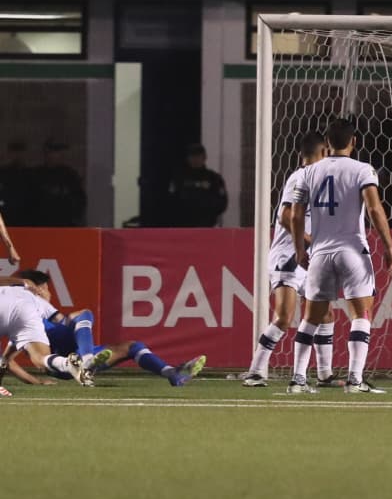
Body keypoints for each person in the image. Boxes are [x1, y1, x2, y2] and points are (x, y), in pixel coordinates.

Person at [287, 118, 392, 395]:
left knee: (310, 317)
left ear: (327, 143)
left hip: (321, 252)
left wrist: (300, 249)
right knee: (361, 314)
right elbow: (374, 209)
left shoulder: (308, 172)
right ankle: (355, 379)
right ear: (354, 141)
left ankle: (298, 380)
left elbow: (297, 213)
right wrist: (388, 248)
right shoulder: (363, 170)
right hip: (352, 250)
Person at [242, 132, 337, 387]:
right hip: (289, 256)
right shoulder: (300, 177)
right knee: (284, 316)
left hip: (308, 255)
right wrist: (309, 240)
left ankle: (325, 375)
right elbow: (285, 216)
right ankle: (255, 371)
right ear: (325, 153)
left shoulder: (320, 178)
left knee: (326, 313)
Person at [4, 270, 204, 388]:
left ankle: (171, 373)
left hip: (77, 360)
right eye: (47, 288)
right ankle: (87, 360)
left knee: (132, 346)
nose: (49, 293)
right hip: (62, 365)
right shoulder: (29, 316)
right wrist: (36, 381)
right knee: (82, 314)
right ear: (37, 288)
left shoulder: (31, 314)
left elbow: (6, 362)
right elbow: (8, 361)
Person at [0, 273, 92, 393]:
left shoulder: (11, 288)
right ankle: (65, 363)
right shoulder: (34, 297)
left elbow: (6, 360)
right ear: (40, 289)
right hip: (26, 310)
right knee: (40, 358)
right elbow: (62, 321)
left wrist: (23, 281)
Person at [168, 144, 228, 227]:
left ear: (204, 157)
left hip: (206, 225)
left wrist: (207, 211)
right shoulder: (179, 178)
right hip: (183, 226)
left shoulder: (214, 178)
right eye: (192, 156)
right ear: (188, 158)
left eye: (198, 156)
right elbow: (171, 201)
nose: (195, 159)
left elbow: (222, 202)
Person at [31, 139, 86, 226]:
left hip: (64, 225)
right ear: (45, 154)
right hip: (41, 225)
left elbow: (79, 201)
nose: (53, 155)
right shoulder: (36, 175)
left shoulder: (70, 175)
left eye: (57, 152)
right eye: (50, 152)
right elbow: (30, 202)